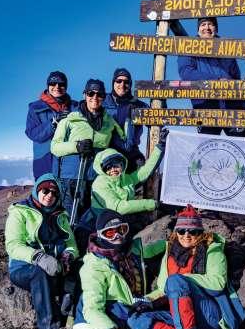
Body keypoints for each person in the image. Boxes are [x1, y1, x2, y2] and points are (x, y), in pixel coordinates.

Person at [127, 205, 245, 329]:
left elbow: (217, 284)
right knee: (135, 319)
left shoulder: (212, 249)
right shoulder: (171, 252)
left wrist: (183, 279)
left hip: (209, 315)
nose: (187, 235)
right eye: (182, 231)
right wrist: (147, 300)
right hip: (180, 315)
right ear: (176, 232)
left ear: (201, 232)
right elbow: (163, 288)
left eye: (193, 231)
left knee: (176, 282)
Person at [72, 210, 164, 329]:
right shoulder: (93, 265)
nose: (117, 236)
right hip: (91, 322)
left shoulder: (132, 250)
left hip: (122, 320)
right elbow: (92, 309)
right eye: (109, 232)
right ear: (101, 235)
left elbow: (154, 249)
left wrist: (175, 242)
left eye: (121, 229)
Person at [4, 173, 79, 329]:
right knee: (39, 274)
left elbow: (71, 244)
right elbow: (13, 245)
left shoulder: (60, 215)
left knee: (81, 268)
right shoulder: (20, 212)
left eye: (54, 193)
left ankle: (74, 317)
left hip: (56, 265)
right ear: (37, 190)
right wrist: (39, 257)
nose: (49, 195)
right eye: (45, 190)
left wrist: (68, 256)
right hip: (23, 268)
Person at [51, 79, 124, 219]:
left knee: (92, 218)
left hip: (97, 178)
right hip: (71, 177)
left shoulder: (109, 121)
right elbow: (55, 147)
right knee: (70, 218)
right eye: (91, 93)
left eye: (99, 94)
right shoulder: (70, 119)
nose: (95, 98)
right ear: (85, 95)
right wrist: (76, 146)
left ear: (104, 97)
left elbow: (122, 141)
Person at [177, 17, 245, 136]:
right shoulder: (187, 47)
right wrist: (217, 81)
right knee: (207, 147)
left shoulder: (227, 48)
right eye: (203, 25)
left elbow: (236, 77)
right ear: (198, 29)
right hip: (205, 107)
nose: (207, 28)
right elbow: (186, 72)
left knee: (241, 146)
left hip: (232, 107)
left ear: (215, 28)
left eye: (210, 24)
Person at [90, 128, 167, 216]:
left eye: (116, 165)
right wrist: (153, 204)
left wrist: (160, 146)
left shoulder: (126, 178)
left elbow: (146, 170)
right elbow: (119, 207)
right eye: (108, 167)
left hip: (120, 219)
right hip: (100, 222)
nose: (113, 169)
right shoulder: (100, 183)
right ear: (103, 170)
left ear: (122, 165)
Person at [26, 71, 77, 179]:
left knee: (68, 195)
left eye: (61, 84)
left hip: (70, 162)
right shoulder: (35, 108)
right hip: (45, 161)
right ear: (48, 86)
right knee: (46, 194)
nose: (57, 87)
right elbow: (33, 134)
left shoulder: (75, 107)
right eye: (53, 84)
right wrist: (53, 123)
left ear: (66, 87)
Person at [103, 68, 149, 172]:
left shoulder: (138, 105)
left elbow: (157, 120)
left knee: (139, 174)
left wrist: (162, 102)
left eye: (126, 82)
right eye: (119, 81)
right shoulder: (102, 101)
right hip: (107, 151)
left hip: (131, 153)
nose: (122, 85)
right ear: (113, 83)